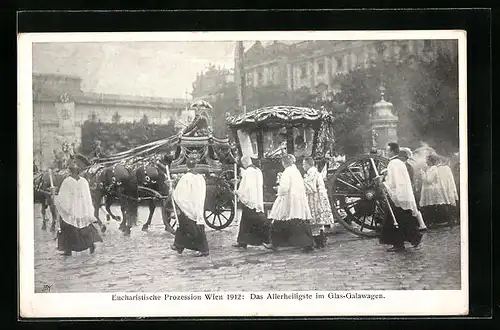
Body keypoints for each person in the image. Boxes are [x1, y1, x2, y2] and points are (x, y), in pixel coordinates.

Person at [377, 142, 422, 252]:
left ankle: (399, 244)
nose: (386, 153)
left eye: (388, 151)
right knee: (403, 218)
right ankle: (413, 238)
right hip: (402, 193)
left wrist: (384, 184)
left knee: (394, 219)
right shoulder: (399, 162)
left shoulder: (393, 163)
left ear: (392, 151)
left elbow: (394, 181)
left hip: (397, 194)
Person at [52, 158, 103, 256]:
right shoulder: (84, 181)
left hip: (72, 208)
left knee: (67, 227)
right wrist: (88, 209)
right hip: (82, 208)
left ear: (70, 171)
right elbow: (88, 197)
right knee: (85, 226)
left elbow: (63, 198)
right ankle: (91, 244)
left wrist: (55, 197)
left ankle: (68, 249)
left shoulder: (67, 181)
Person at [268, 154, 315, 253]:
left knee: (280, 219)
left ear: (283, 163)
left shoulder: (286, 172)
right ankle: (276, 243)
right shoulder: (296, 171)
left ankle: (307, 244)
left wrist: (278, 189)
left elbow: (284, 188)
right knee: (291, 220)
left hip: (288, 200)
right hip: (297, 199)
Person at [170, 152, 209, 257]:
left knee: (189, 225)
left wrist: (173, 191)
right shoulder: (200, 177)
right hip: (197, 205)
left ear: (187, 166)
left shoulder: (186, 178)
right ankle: (178, 245)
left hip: (188, 206)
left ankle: (203, 248)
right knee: (183, 224)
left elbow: (180, 194)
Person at [233, 155, 273, 250]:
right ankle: (242, 241)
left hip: (249, 199)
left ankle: (268, 239)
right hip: (256, 197)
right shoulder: (257, 171)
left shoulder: (248, 172)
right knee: (245, 220)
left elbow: (246, 187)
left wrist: (238, 192)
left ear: (244, 163)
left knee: (258, 219)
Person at [302, 157, 334, 249]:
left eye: (304, 164)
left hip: (315, 198)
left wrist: (302, 184)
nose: (303, 166)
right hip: (319, 197)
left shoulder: (311, 174)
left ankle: (317, 242)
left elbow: (311, 188)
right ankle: (321, 241)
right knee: (319, 222)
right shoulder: (315, 172)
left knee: (315, 220)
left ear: (308, 164)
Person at [420, 153, 458, 228]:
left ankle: (449, 220)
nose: (426, 162)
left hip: (432, 190)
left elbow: (429, 180)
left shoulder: (432, 169)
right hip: (431, 190)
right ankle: (448, 220)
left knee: (437, 205)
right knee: (437, 205)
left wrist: (423, 175)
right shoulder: (431, 168)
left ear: (431, 161)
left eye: (427, 160)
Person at [399, 148, 427, 231]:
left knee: (412, 207)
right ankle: (421, 225)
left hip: (407, 188)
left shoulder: (406, 166)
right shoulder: (407, 166)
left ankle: (421, 225)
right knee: (412, 207)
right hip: (408, 188)